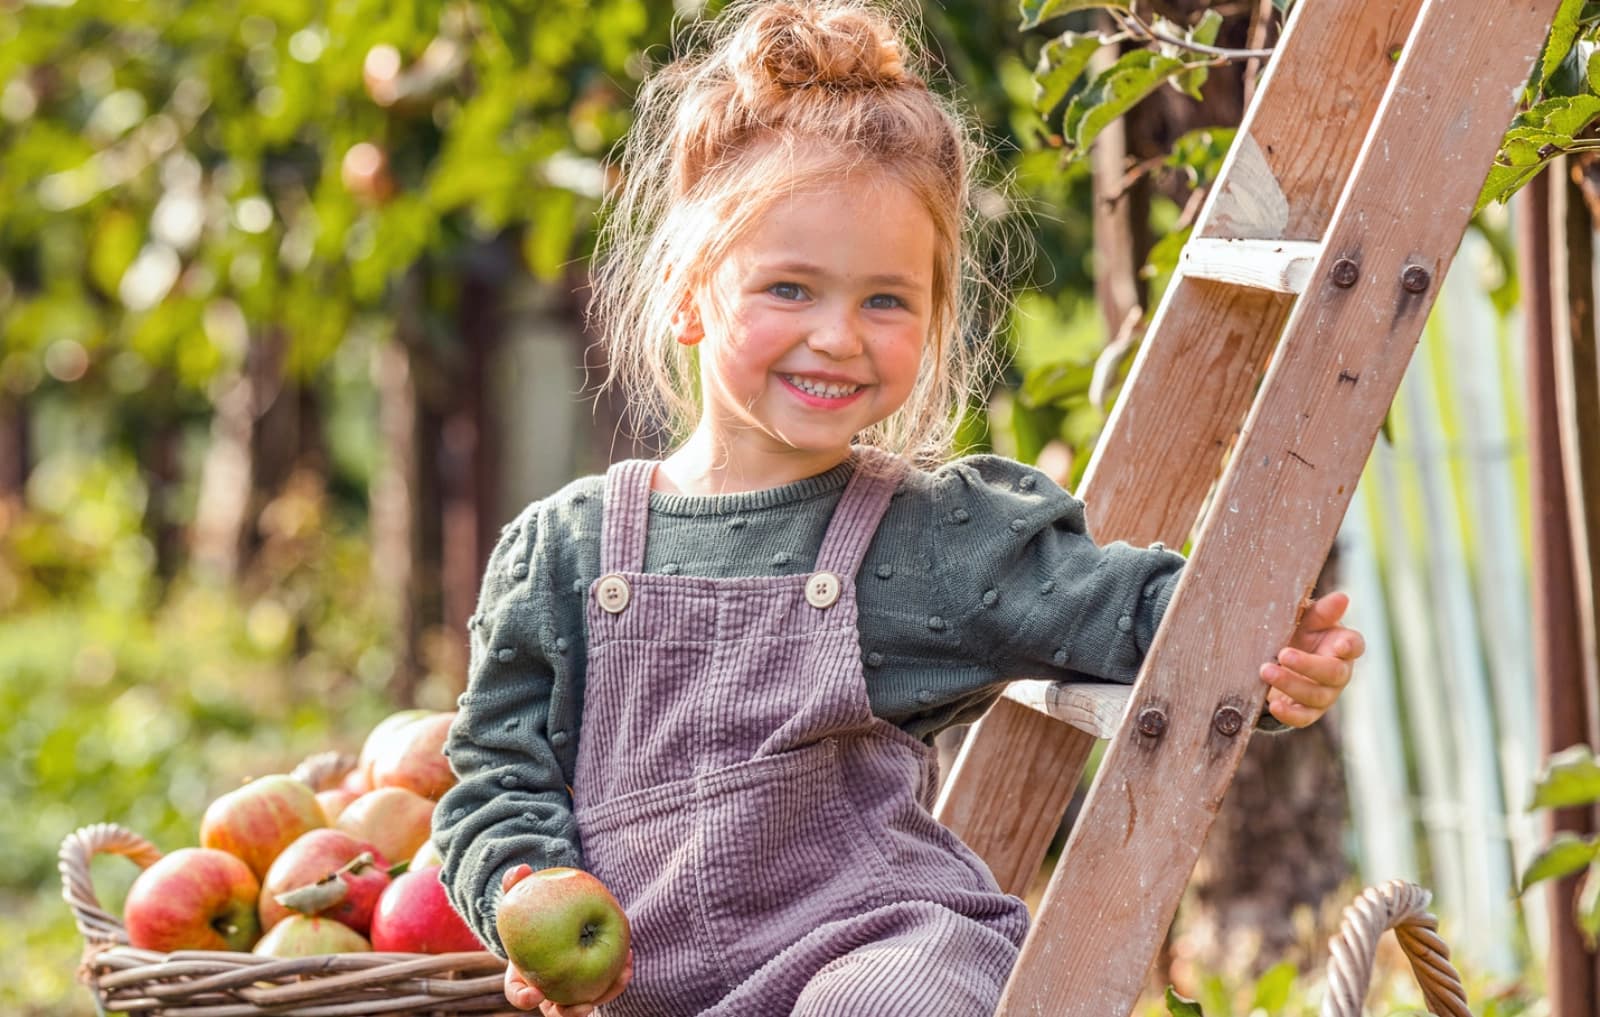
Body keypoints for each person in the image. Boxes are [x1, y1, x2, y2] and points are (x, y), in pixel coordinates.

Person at [432, 1, 1366, 1014]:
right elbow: (497, 778)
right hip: (650, 987)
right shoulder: (564, 553)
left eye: (885, 300)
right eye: (789, 289)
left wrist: (1266, 652)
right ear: (688, 293)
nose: (838, 336)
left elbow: (1120, 611)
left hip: (879, 956)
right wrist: (521, 890)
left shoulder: (923, 536)